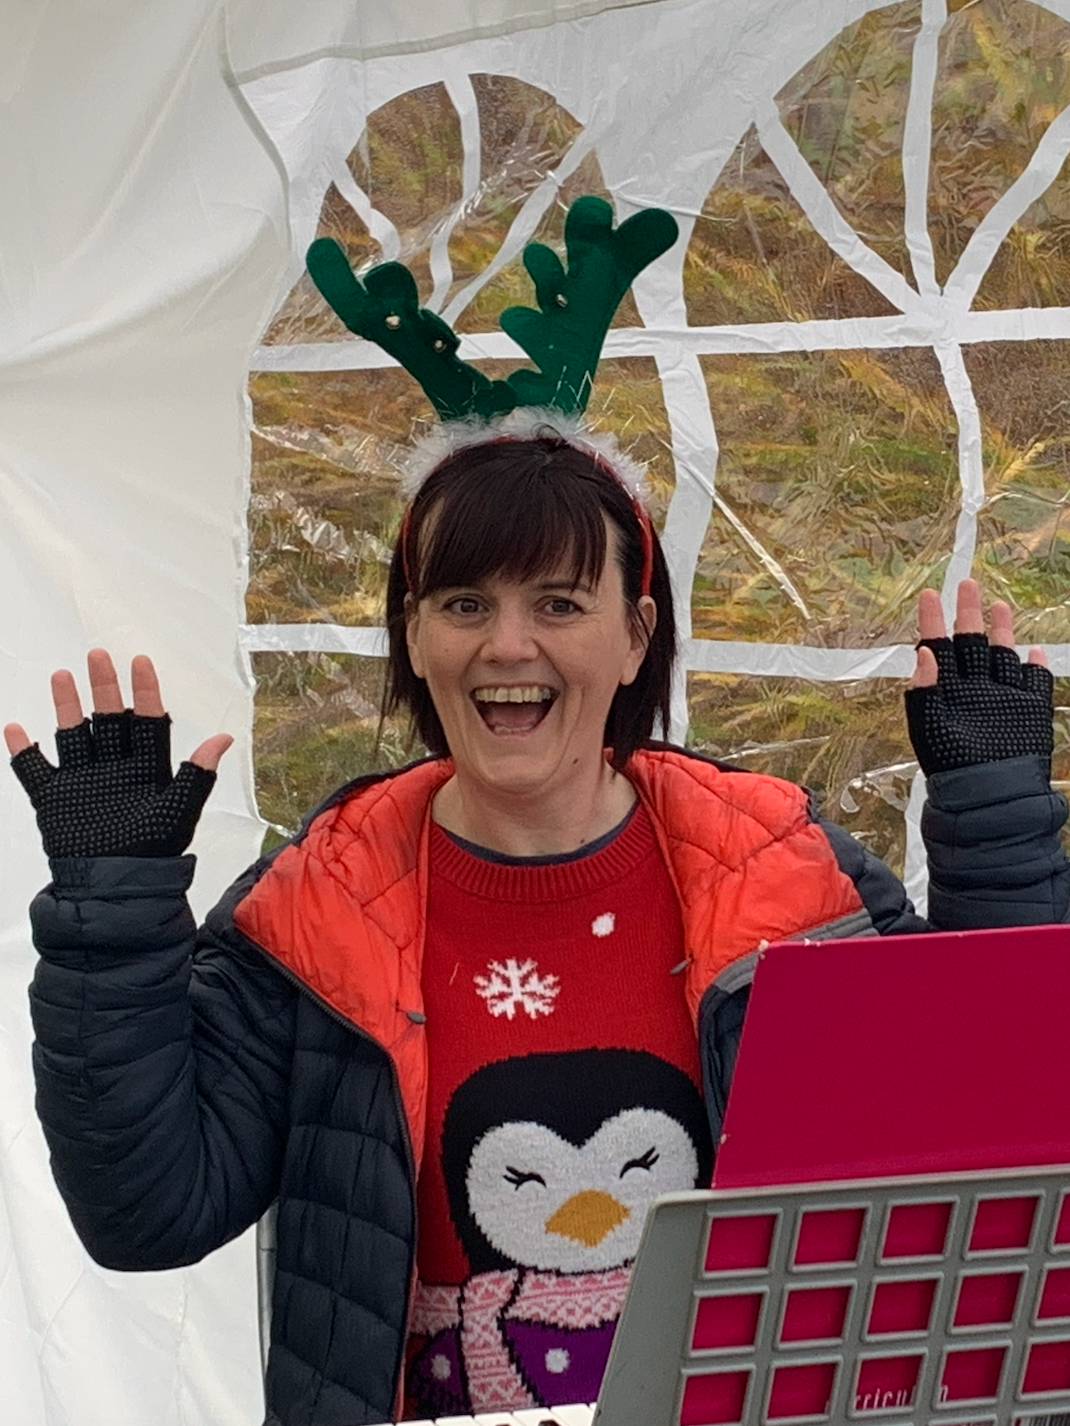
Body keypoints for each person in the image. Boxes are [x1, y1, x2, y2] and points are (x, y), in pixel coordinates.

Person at [6, 424, 1068, 1426]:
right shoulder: (317, 907)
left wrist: (994, 827)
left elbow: (988, 1120)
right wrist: (113, 912)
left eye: (558, 603)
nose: (506, 644)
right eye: (464, 603)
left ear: (635, 635)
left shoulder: (782, 872)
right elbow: (148, 1213)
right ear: (414, 635)